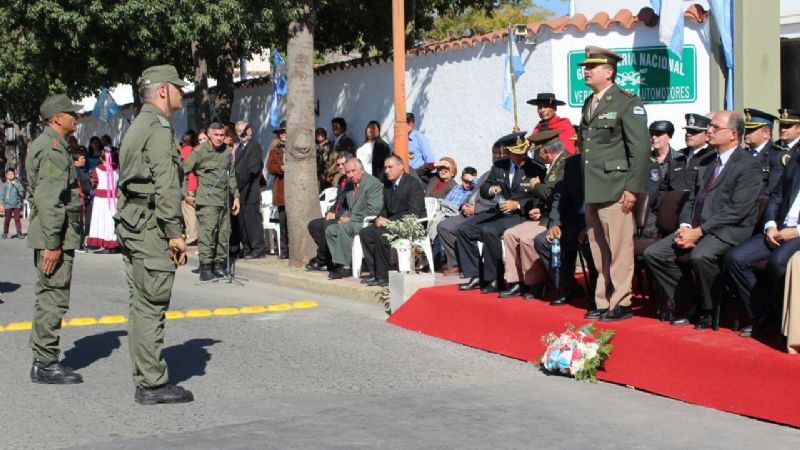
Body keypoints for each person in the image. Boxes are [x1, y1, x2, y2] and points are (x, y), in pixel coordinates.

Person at [116, 65, 193, 404]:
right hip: (151, 227)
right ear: (163, 90)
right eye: (178, 88)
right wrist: (175, 234)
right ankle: (152, 383)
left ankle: (146, 376)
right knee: (152, 304)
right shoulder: (159, 128)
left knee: (140, 303)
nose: (182, 94)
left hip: (134, 222)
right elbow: (164, 185)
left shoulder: (138, 124)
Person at [644, 111, 762, 330]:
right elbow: (691, 198)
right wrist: (685, 226)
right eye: (710, 126)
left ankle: (711, 308)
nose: (709, 130)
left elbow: (737, 211)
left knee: (701, 256)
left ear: (733, 134)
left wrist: (699, 232)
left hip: (728, 230)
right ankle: (693, 302)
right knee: (655, 254)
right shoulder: (708, 160)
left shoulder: (747, 165)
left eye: (716, 127)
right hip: (698, 227)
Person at [577, 46, 650, 322]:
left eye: (592, 67)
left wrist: (632, 189)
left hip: (616, 187)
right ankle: (603, 299)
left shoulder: (627, 102)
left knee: (619, 249)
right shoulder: (590, 102)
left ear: (609, 72)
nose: (586, 70)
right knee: (599, 249)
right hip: (594, 188)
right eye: (586, 67)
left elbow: (640, 150)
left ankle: (622, 302)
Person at [26, 93, 84, 384]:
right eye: (71, 114)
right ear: (57, 118)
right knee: (53, 297)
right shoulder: (52, 149)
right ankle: (45, 362)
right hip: (55, 235)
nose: (76, 118)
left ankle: (43, 358)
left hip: (55, 233)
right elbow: (50, 200)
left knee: (49, 295)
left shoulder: (55, 145)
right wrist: (53, 244)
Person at [457, 132, 547, 293]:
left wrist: (518, 204)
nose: (522, 156)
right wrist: (491, 189)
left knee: (489, 231)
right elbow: (484, 189)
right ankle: (476, 275)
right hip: (499, 210)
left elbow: (540, 197)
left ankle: (494, 279)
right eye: (517, 153)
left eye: (524, 152)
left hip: (521, 214)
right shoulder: (499, 166)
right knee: (464, 229)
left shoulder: (536, 168)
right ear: (508, 152)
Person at [724, 150, 800, 337]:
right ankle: (764, 314)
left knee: (778, 262)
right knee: (735, 258)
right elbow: (776, 197)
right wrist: (771, 225)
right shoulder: (795, 162)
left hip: (797, 233)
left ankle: (788, 321)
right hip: (779, 229)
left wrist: (796, 231)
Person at [499, 129, 568, 299]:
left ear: (546, 151)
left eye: (538, 151)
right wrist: (540, 209)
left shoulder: (564, 164)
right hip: (545, 215)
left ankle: (535, 283)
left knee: (527, 239)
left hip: (558, 219)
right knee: (510, 234)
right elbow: (552, 197)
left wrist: (536, 186)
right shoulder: (554, 165)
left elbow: (555, 194)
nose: (537, 156)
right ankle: (516, 281)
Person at [534, 150, 598, 307]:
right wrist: (554, 224)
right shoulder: (571, 163)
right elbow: (559, 196)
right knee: (543, 241)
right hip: (576, 219)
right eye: (579, 142)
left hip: (598, 221)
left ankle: (597, 294)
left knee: (591, 244)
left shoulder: (602, 159)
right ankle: (567, 287)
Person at [184, 123, 241, 281]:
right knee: (208, 235)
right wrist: (186, 194)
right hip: (207, 201)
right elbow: (182, 171)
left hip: (224, 201)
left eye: (222, 135)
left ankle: (219, 265)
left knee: (223, 234)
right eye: (216, 135)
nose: (219, 138)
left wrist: (236, 196)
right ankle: (206, 267)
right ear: (209, 135)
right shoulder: (199, 152)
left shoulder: (227, 153)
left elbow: (231, 176)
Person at [437, 144, 505, 276]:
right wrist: (464, 205)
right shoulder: (487, 173)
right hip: (468, 211)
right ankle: (456, 263)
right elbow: (472, 193)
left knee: (463, 228)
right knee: (443, 226)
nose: (497, 156)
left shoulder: (503, 176)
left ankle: (471, 266)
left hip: (485, 214)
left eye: (501, 153)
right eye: (495, 153)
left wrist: (476, 209)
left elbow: (498, 202)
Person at [359, 155, 425, 286]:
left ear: (401, 167)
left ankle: (384, 276)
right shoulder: (388, 185)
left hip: (411, 224)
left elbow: (413, 213)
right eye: (385, 168)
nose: (387, 171)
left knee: (381, 233)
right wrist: (379, 218)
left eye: (390, 167)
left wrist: (388, 221)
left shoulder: (413, 184)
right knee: (365, 233)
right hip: (393, 222)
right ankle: (375, 273)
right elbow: (385, 207)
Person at [325, 157, 384, 279]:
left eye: (353, 171)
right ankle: (341, 263)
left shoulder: (373, 184)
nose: (350, 175)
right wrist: (343, 217)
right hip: (353, 221)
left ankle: (344, 267)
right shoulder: (349, 186)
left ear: (362, 170)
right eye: (347, 172)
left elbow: (373, 210)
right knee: (330, 230)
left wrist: (350, 219)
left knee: (345, 228)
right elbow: (349, 208)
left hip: (368, 222)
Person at [306, 154, 349, 271]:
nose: (340, 167)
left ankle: (322, 259)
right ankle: (328, 256)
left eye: (342, 164)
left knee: (327, 226)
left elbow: (351, 206)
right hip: (336, 214)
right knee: (314, 225)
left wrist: (336, 215)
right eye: (338, 164)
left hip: (346, 217)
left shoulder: (353, 181)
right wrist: (330, 212)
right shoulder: (342, 180)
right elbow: (337, 202)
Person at [234, 120, 267, 259]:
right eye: (239, 131)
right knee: (242, 221)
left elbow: (253, 168)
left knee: (252, 220)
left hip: (250, 189)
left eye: (245, 130)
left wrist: (239, 179)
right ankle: (246, 247)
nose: (243, 133)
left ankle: (257, 248)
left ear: (250, 131)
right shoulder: (239, 147)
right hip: (240, 190)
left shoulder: (255, 146)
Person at [661, 113, 714, 193]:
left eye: (694, 131)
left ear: (707, 135)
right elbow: (664, 187)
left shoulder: (712, 157)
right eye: (688, 130)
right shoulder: (677, 157)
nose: (689, 134)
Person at [743, 108, 786, 196]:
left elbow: (772, 190)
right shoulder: (741, 154)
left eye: (751, 130)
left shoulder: (776, 155)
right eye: (746, 129)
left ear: (766, 133)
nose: (746, 133)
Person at [86, 146, 119, 253]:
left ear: (101, 158)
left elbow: (93, 182)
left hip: (101, 200)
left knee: (101, 220)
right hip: (114, 199)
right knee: (111, 220)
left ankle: (105, 244)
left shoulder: (97, 169)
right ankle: (113, 243)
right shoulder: (117, 169)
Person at [267, 120, 289, 258]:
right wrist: (281, 168)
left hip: (294, 189)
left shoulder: (295, 147)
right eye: (281, 132)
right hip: (281, 188)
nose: (283, 134)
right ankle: (284, 251)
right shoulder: (275, 148)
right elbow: (270, 167)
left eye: (285, 132)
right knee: (283, 222)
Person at [179, 130, 199, 245]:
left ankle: (192, 236)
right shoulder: (194, 151)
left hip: (187, 185)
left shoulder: (182, 152)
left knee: (188, 211)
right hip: (196, 183)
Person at [407, 112, 436, 181]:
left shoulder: (419, 138)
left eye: (408, 122)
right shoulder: (401, 139)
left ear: (413, 123)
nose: (406, 124)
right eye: (404, 122)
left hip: (417, 175)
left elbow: (429, 158)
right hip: (405, 175)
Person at [72, 150, 91, 251]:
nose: (84, 160)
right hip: (78, 199)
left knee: (84, 223)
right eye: (82, 158)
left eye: (84, 158)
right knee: (78, 222)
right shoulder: (74, 172)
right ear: (75, 161)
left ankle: (81, 243)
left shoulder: (84, 170)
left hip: (87, 199)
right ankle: (77, 244)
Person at [1, 166, 25, 239]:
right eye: (9, 174)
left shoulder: (17, 183)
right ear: (6, 175)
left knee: (17, 219)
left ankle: (19, 233)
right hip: (8, 205)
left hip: (16, 204)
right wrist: (1, 204)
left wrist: (15, 184)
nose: (10, 175)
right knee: (7, 219)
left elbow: (21, 191)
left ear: (14, 174)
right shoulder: (5, 185)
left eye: (12, 174)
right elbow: (2, 195)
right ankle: (5, 232)